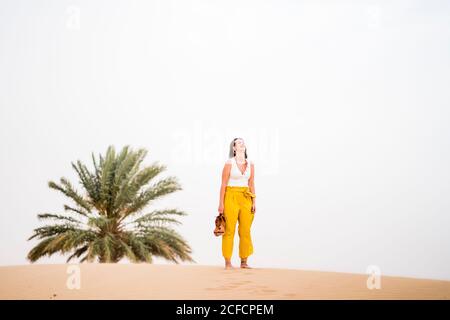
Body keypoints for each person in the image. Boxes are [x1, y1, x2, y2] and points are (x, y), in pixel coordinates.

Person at [218, 137, 256, 270]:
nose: (242, 144)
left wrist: (253, 201)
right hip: (231, 196)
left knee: (245, 230)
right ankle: (228, 262)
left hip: (246, 197)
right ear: (234, 148)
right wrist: (221, 204)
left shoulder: (250, 164)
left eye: (243, 142)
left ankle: (244, 262)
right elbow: (223, 185)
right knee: (229, 230)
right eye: (238, 143)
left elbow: (251, 183)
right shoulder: (229, 163)